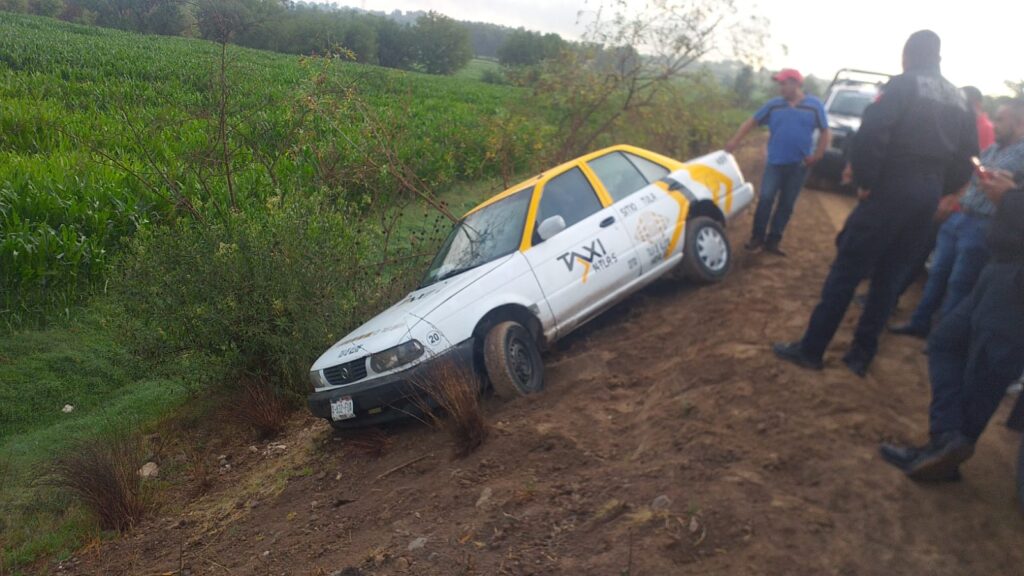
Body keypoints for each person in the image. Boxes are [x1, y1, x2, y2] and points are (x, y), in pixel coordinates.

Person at [771, 30, 978, 377]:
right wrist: (941, 186)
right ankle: (860, 357)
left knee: (847, 269)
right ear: (938, 58)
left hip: (892, 187)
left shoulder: (903, 85)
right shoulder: (959, 99)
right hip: (927, 195)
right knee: (890, 277)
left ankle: (811, 349)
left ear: (908, 55)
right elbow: (969, 155)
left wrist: (868, 181)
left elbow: (872, 133)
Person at [880, 167, 1024, 482]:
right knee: (945, 341)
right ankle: (947, 438)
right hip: (1000, 269)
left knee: (985, 371)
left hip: (1016, 288)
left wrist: (1011, 198)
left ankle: (945, 457)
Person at [890, 101, 1024, 337]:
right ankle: (920, 323)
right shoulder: (993, 149)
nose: (995, 125)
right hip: (961, 218)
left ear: (1020, 123)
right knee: (937, 275)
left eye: (1001, 120)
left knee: (960, 283)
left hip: (985, 224)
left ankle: (943, 336)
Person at [725, 68, 830, 256]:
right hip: (775, 162)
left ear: (796, 84)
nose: (780, 88)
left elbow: (825, 132)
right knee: (765, 198)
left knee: (787, 204)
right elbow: (751, 122)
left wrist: (818, 155)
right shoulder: (774, 105)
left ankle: (773, 241)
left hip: (800, 165)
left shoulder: (814, 106)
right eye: (780, 84)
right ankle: (757, 238)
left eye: (784, 84)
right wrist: (734, 141)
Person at [964, 86, 996, 151]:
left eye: (965, 103)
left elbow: (984, 157)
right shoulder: (968, 124)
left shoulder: (986, 127)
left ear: (977, 104)